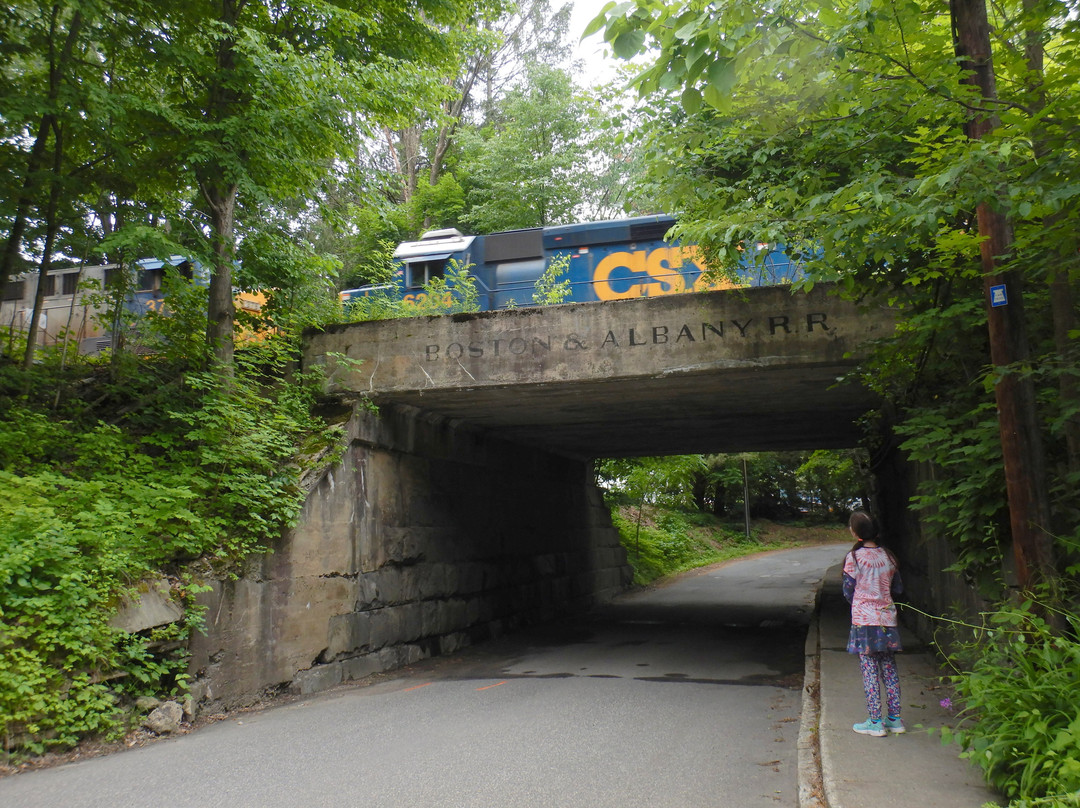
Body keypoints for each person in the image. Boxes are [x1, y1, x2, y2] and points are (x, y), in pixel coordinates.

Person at [843, 509, 905, 737]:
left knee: (869, 670)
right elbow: (897, 588)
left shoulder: (854, 558)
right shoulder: (889, 557)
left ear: (855, 532)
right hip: (887, 620)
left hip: (864, 621)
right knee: (889, 669)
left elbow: (848, 590)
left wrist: (861, 602)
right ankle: (895, 719)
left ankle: (875, 722)